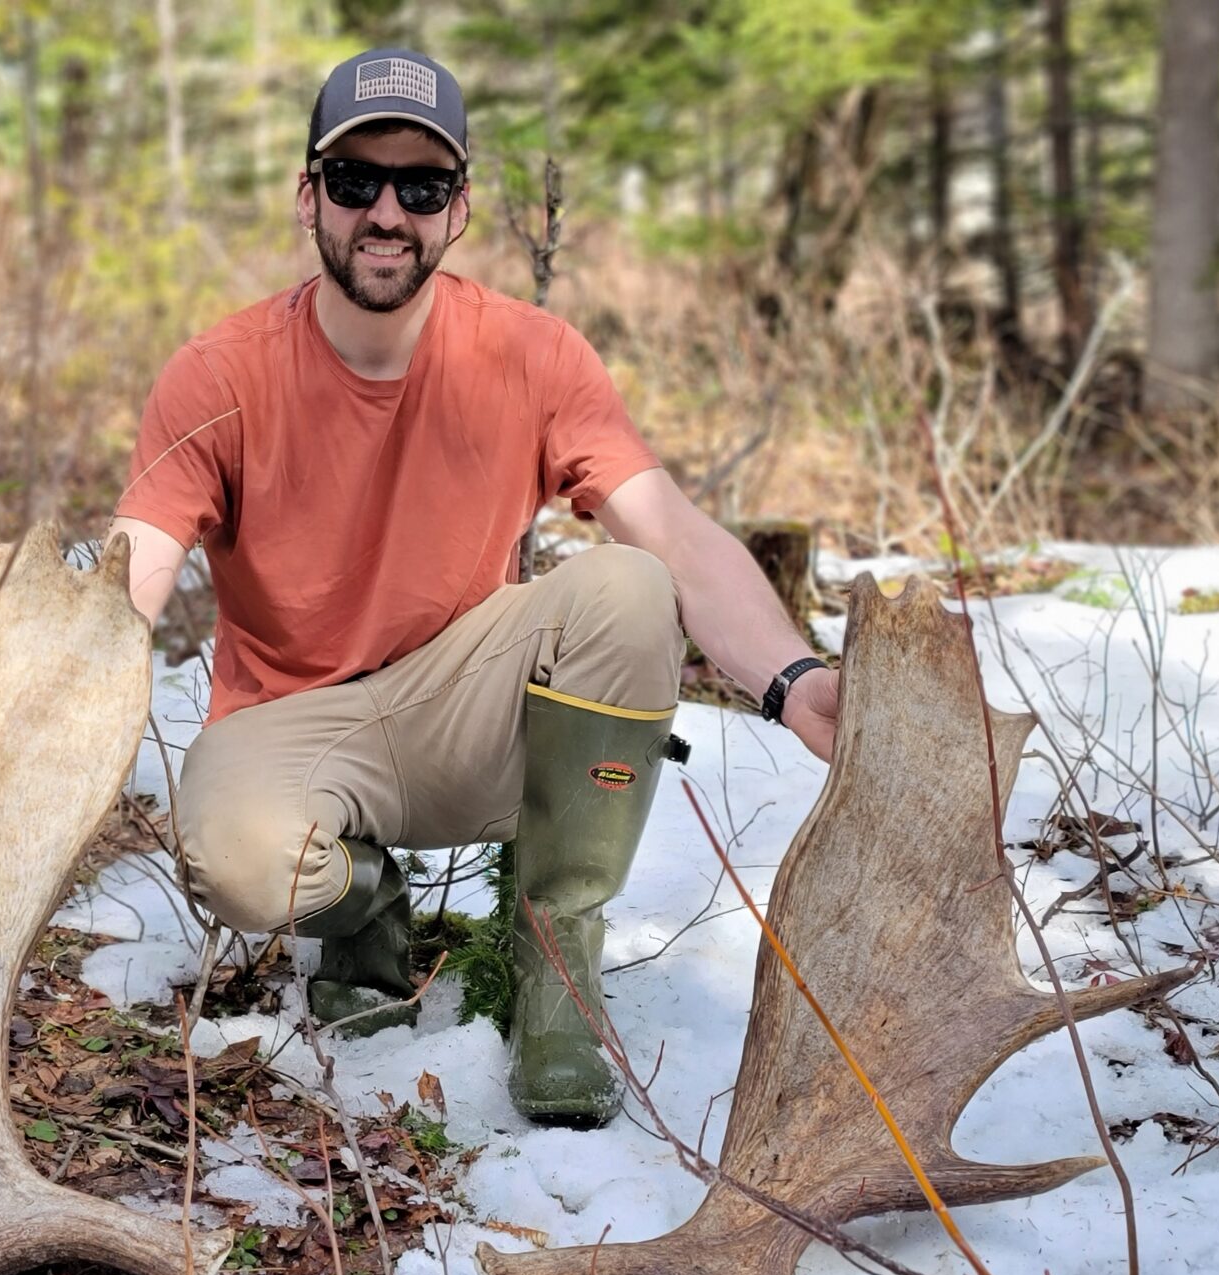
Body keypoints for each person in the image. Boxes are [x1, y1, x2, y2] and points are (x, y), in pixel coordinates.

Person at [108, 48, 837, 1127]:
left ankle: (555, 969)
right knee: (238, 864)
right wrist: (44, 692)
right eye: (357, 181)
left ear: (459, 210)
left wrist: (795, 680)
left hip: (468, 704)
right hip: (294, 723)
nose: (387, 212)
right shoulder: (220, 373)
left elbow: (670, 530)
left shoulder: (530, 355)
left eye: (422, 185)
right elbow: (137, 560)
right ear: (310, 196)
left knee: (630, 586)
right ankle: (366, 913)